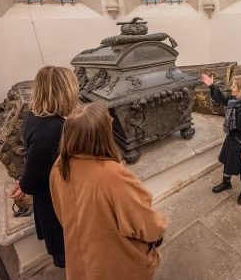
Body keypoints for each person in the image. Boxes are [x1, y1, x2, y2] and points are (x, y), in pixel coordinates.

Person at [49, 103, 168, 280]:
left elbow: (62, 215)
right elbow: (145, 223)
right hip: (118, 266)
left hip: (81, 266)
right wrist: (159, 230)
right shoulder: (112, 175)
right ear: (103, 134)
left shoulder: (58, 168)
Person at [9, 66, 79, 268]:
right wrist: (25, 183)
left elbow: (35, 161)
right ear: (66, 92)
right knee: (73, 258)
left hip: (52, 201)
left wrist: (23, 182)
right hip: (57, 207)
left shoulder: (34, 116)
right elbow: (33, 181)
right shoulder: (52, 130)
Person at [201, 74, 241, 204]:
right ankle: (226, 183)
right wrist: (211, 86)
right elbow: (221, 98)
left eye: (234, 86)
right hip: (231, 138)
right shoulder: (233, 100)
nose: (231, 87)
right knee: (228, 162)